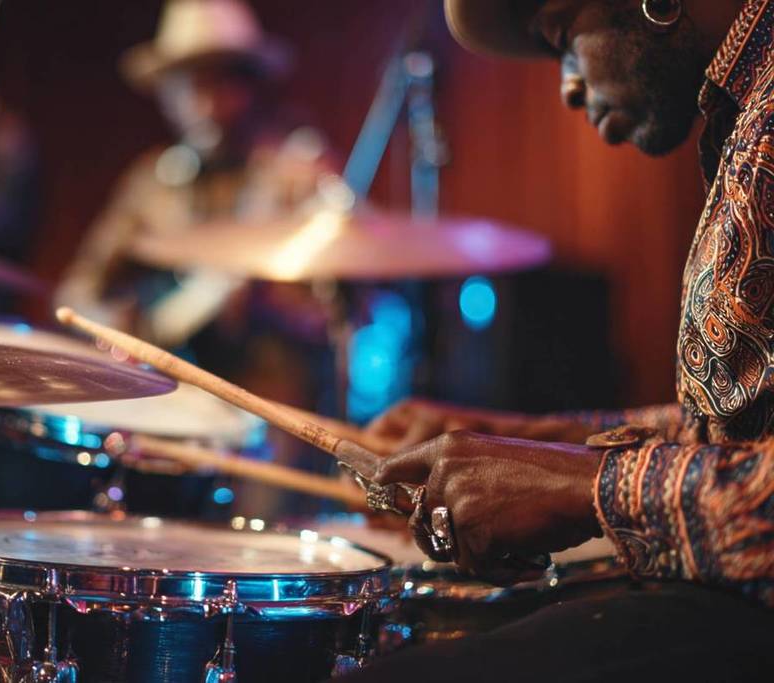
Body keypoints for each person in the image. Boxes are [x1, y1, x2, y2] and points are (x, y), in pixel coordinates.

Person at [343, 0, 774, 679]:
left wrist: (588, 486)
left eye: (562, 39)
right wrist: (528, 439)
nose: (569, 85)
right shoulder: (750, 105)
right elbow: (735, 434)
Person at [54, 0, 335, 350]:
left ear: (251, 84)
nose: (206, 105)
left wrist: (273, 306)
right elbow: (77, 291)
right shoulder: (151, 181)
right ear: (165, 94)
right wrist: (117, 328)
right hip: (168, 392)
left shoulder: (298, 175)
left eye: (222, 82)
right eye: (189, 85)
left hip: (269, 390)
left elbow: (342, 315)